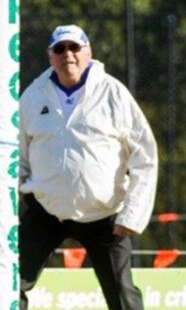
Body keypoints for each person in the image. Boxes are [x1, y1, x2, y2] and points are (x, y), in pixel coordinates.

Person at [19, 24, 158, 310]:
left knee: (123, 297)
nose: (67, 54)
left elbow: (145, 156)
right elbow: (15, 157)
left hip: (105, 216)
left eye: (74, 47)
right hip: (45, 210)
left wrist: (132, 215)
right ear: (50, 56)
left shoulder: (114, 93)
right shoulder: (33, 96)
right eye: (59, 49)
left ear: (88, 52)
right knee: (7, 286)